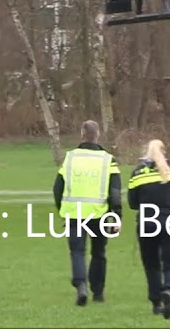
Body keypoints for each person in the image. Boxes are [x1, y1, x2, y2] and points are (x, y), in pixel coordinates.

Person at [52, 120, 122, 306]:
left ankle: (81, 285)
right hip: (99, 214)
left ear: (82, 135)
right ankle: (98, 292)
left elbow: (57, 188)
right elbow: (115, 192)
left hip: (74, 214)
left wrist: (62, 209)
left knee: (77, 251)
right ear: (97, 135)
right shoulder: (108, 159)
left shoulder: (71, 158)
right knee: (99, 252)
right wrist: (116, 215)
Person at [127, 139, 170, 319]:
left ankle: (156, 302)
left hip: (147, 222)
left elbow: (132, 203)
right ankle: (169, 290)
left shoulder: (138, 172)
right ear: (164, 151)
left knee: (151, 264)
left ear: (147, 152)